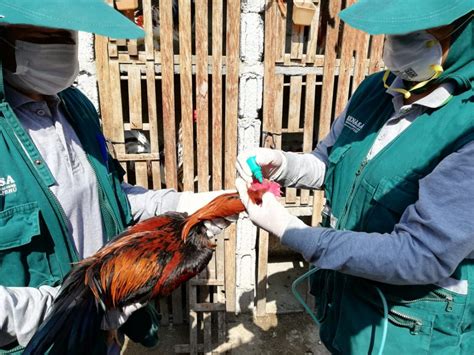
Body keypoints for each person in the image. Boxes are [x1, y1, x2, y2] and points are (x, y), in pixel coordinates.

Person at [236, 1, 474, 354]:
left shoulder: (464, 128)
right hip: (346, 310)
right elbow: (330, 161)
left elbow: (422, 254)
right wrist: (283, 165)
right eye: (394, 32)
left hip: (409, 329)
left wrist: (296, 234)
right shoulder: (375, 91)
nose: (398, 42)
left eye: (415, 32)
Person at [0, 1, 232, 353]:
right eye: (45, 34)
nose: (62, 45)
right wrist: (78, 307)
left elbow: (112, 195)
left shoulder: (75, 106)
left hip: (103, 337)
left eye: (68, 34)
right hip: (41, 343)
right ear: (5, 40)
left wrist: (191, 204)